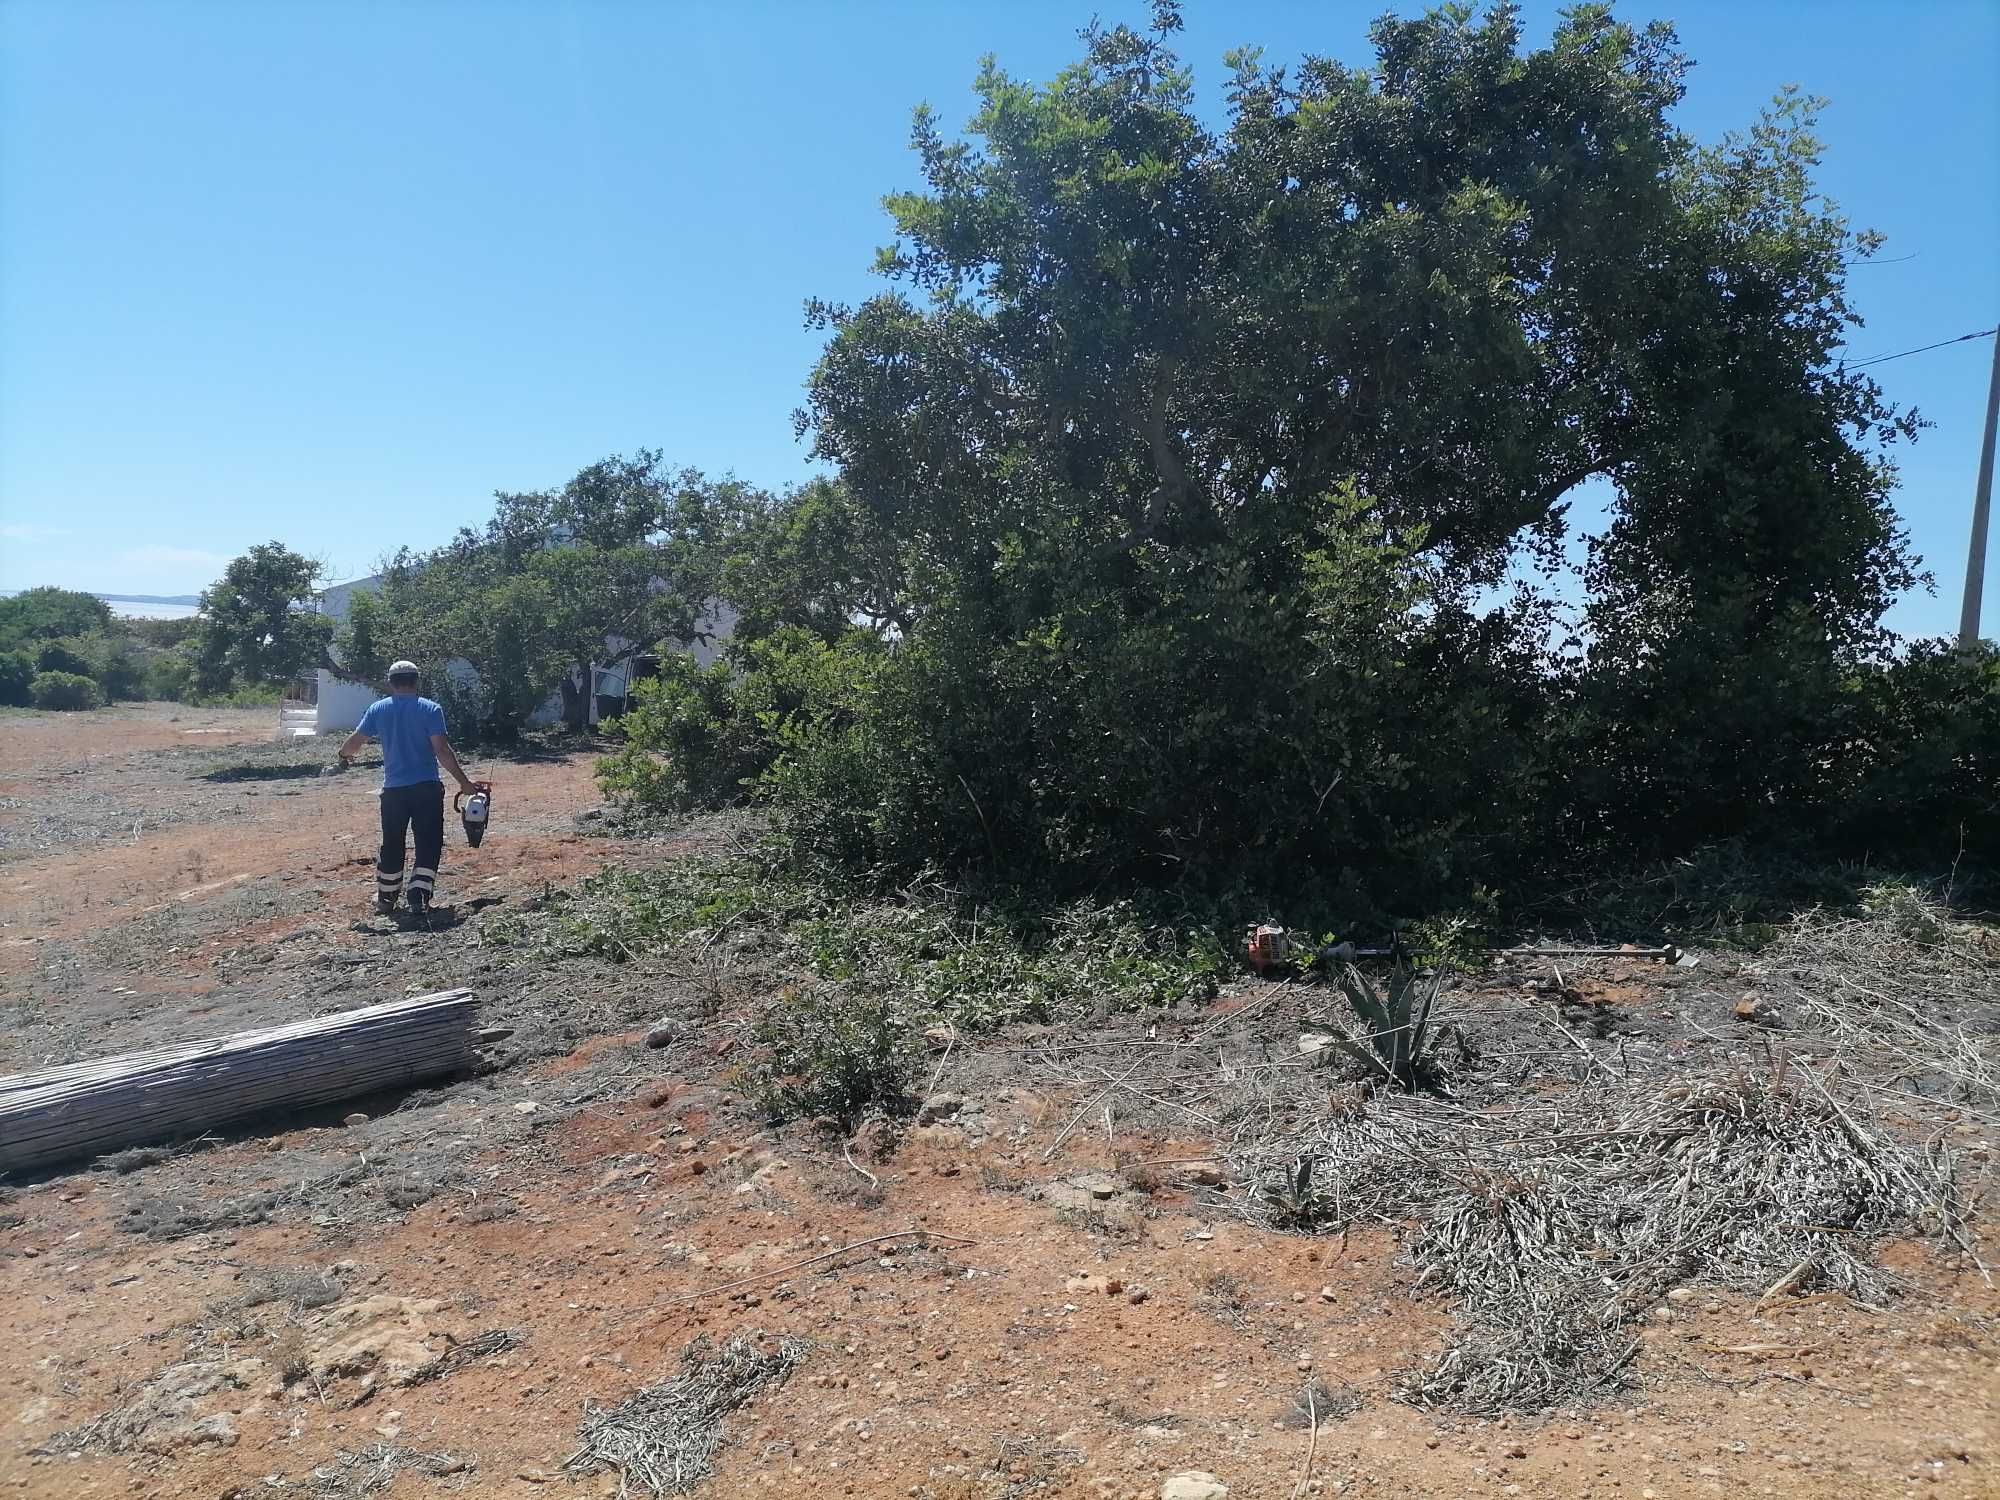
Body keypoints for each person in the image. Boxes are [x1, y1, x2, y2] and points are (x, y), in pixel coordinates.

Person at [335, 660, 479, 917]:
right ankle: (418, 898)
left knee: (392, 843)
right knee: (428, 842)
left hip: (393, 792)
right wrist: (464, 783)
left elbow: (355, 742)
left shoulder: (378, 709)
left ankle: (386, 899)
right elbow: (442, 751)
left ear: (391, 682)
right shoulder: (430, 709)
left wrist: (343, 754)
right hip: (426, 788)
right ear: (416, 681)